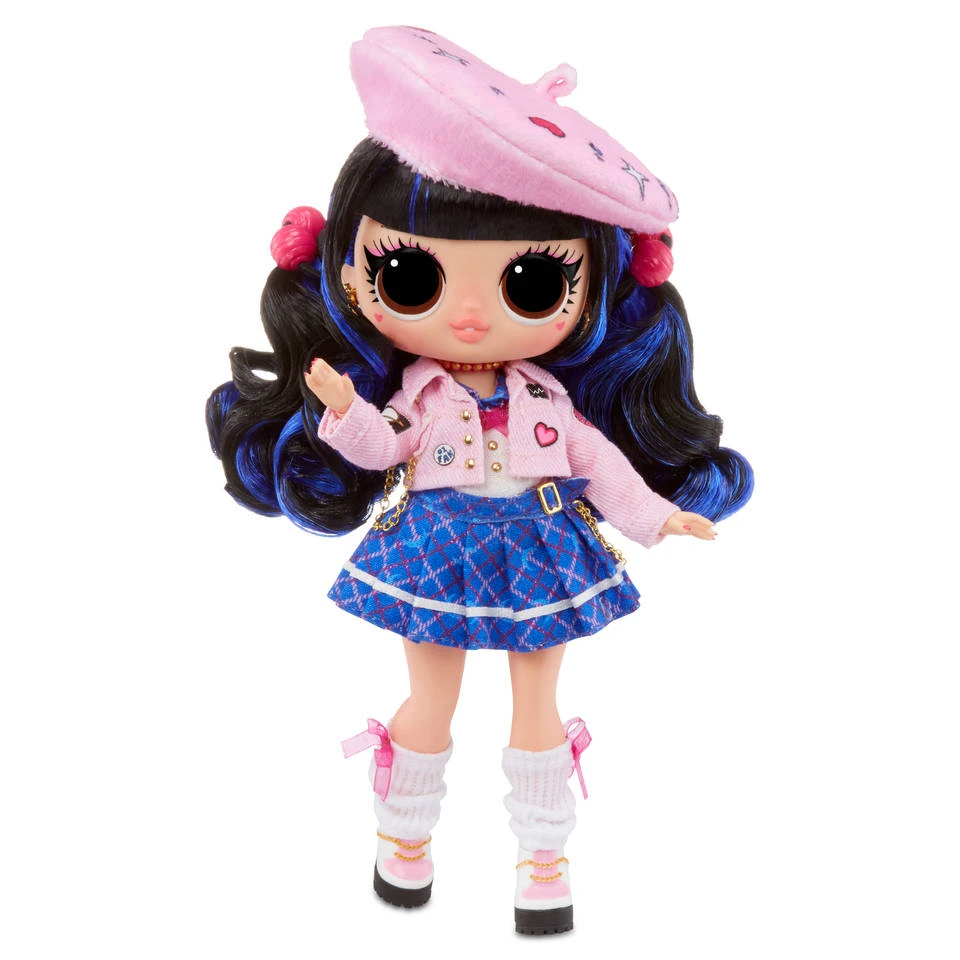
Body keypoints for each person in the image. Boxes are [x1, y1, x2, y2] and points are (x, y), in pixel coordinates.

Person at [207, 26, 753, 935]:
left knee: (538, 703)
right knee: (433, 697)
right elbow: (381, 448)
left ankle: (544, 854)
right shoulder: (418, 397)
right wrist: (343, 412)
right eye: (410, 276)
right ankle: (403, 836)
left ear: (594, 285)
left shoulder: (547, 397)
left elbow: (596, 462)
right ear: (351, 274)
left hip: (542, 543)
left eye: (531, 282)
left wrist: (658, 517)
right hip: (437, 547)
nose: (467, 316)